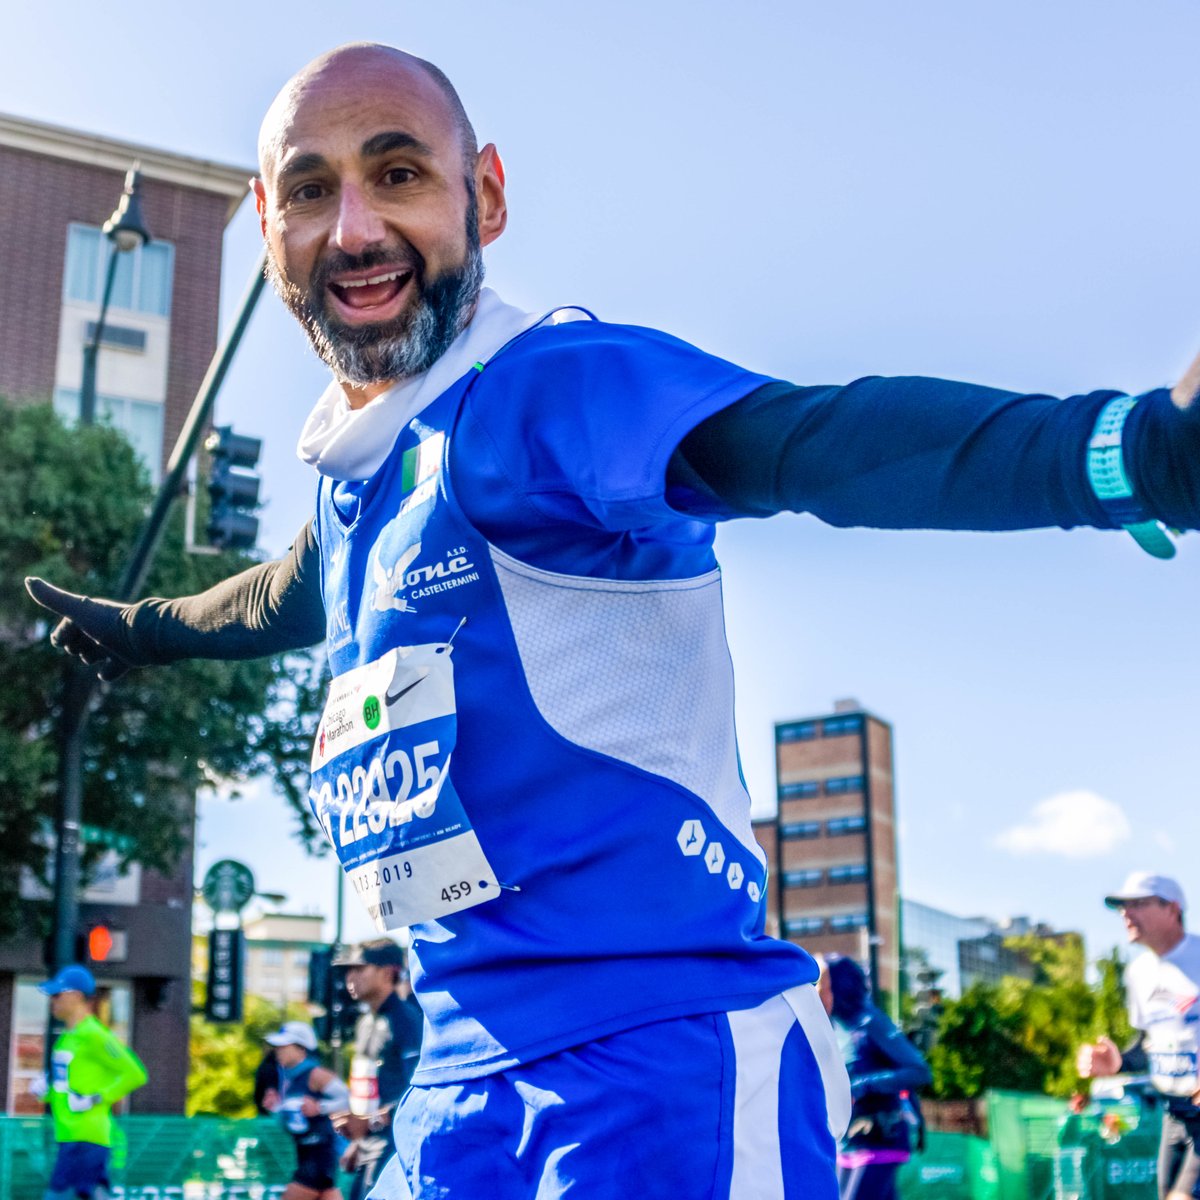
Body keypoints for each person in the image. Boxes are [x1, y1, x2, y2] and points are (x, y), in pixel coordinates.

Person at [25, 41, 1200, 1199]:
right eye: (311, 190)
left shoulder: (549, 388)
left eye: (398, 175)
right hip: (456, 1089)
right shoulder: (362, 487)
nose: (355, 231)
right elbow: (285, 595)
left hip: (660, 1059)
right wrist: (146, 628)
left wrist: (1127, 452)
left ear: (483, 194)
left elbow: (809, 441)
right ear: (268, 225)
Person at [1078, 872, 1200, 1200]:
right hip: (1173, 1114)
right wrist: (1117, 1062)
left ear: (1173, 909)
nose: (1126, 913)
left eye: (1138, 904)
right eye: (1122, 906)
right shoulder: (1138, 974)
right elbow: (1150, 1044)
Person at [818, 955, 930, 1200]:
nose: (814, 989)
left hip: (879, 1139)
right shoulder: (832, 1026)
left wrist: (861, 1087)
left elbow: (919, 1071)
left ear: (838, 985)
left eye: (821, 982)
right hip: (847, 1144)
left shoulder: (870, 1021)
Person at [33, 964, 147, 1200]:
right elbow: (66, 1086)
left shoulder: (95, 1035)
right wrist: (45, 1090)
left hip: (88, 1138)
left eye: (57, 995)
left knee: (61, 1195)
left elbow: (135, 1074)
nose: (52, 1001)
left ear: (75, 995)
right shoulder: (66, 1039)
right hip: (68, 1136)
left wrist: (95, 1098)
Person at [331, 941, 422, 1200]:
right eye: (348, 971)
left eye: (360, 969)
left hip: (396, 1145)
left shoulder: (407, 1020)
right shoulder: (364, 1023)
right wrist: (357, 1141)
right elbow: (367, 1092)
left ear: (387, 972)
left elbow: (419, 1089)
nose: (351, 977)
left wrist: (372, 1121)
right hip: (370, 1144)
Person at [261, 1020, 350, 1200]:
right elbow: (292, 1121)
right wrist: (275, 1109)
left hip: (320, 1155)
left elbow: (349, 1100)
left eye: (284, 1046)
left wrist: (320, 1107)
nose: (278, 1051)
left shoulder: (316, 1075)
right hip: (304, 1156)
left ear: (301, 1049)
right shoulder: (287, 1080)